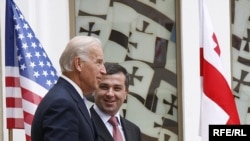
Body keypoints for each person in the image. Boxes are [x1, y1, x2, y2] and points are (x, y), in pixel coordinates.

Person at [31, 35, 106, 141]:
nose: (104, 71)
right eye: (98, 63)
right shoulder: (62, 103)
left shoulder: (70, 98)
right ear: (78, 64)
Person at [90, 62, 141, 141]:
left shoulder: (134, 131)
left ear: (126, 93)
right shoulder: (82, 124)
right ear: (93, 90)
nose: (110, 94)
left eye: (117, 88)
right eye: (104, 87)